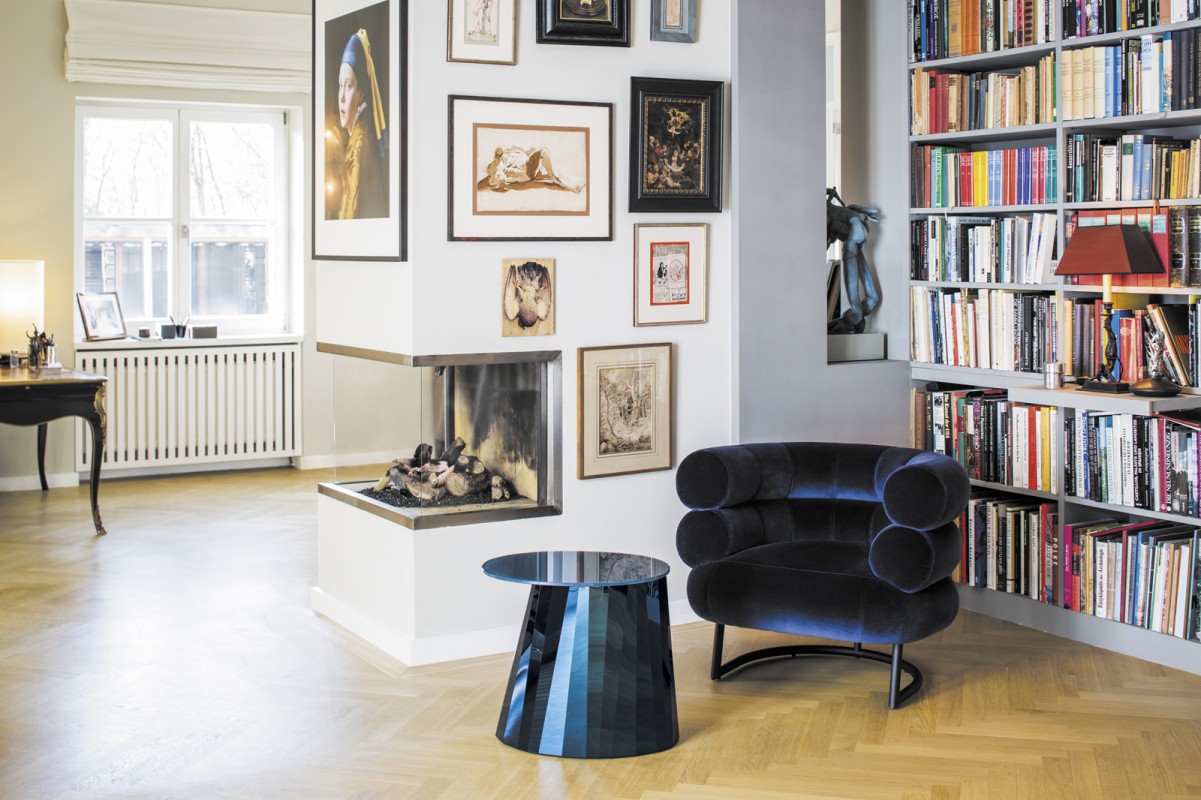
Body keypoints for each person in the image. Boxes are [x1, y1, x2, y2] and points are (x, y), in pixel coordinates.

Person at [335, 28, 388, 220]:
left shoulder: (359, 144)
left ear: (361, 94)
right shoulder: (358, 136)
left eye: (349, 86)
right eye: (340, 85)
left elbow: (351, 211)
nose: (341, 97)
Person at [826, 186, 881, 333]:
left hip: (855, 229)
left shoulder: (826, 213)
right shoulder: (830, 211)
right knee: (872, 300)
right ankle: (852, 316)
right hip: (857, 228)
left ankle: (855, 312)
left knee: (858, 309)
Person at [480, 146, 583, 193]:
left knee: (555, 176)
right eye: (489, 167)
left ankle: (574, 189)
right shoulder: (500, 163)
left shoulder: (507, 154)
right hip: (527, 170)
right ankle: (552, 176)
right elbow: (499, 174)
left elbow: (500, 150)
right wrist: (501, 178)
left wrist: (529, 151)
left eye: (490, 165)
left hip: (531, 167)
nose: (490, 166)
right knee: (543, 151)